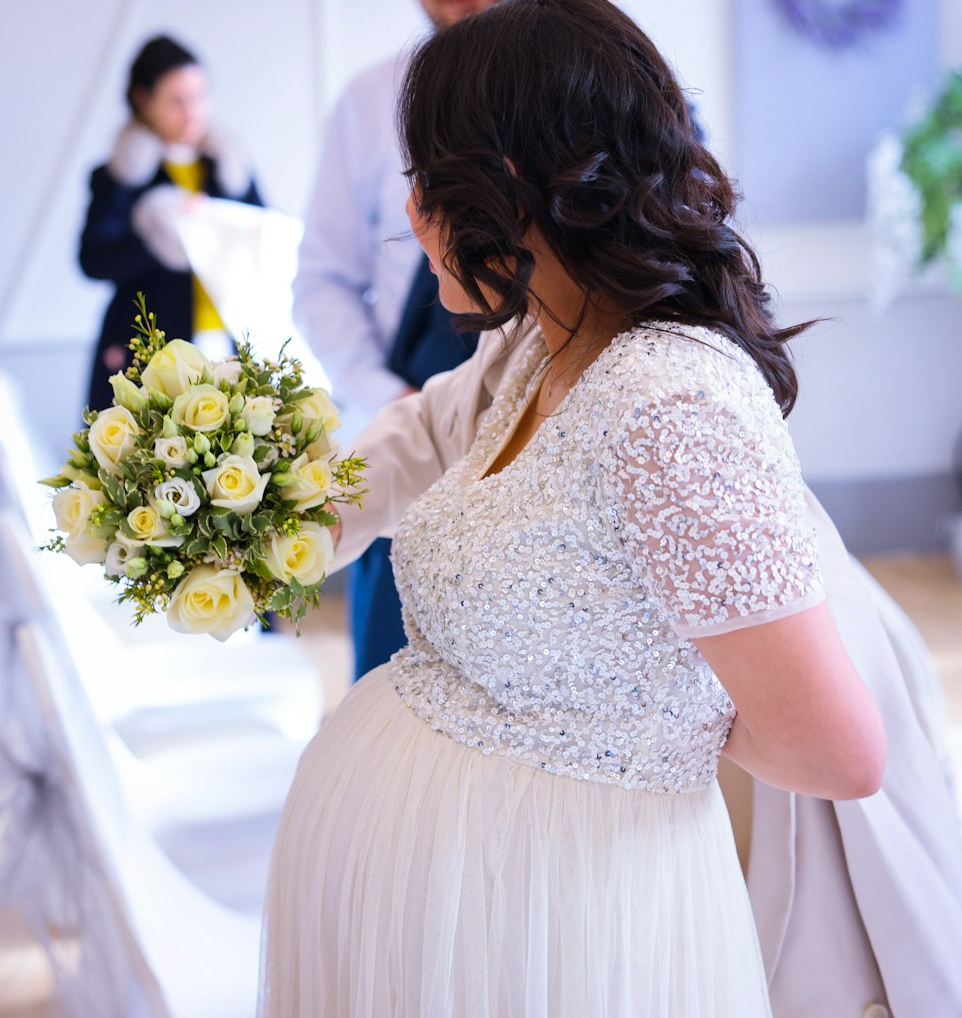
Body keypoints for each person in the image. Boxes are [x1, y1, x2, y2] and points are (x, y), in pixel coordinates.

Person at [258, 2, 897, 1015]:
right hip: (456, 913)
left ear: (506, 184)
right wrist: (250, 521)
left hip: (569, 922)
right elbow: (419, 436)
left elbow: (834, 747)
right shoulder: (539, 341)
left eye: (425, 179)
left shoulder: (668, 405)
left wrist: (625, 704)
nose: (415, 215)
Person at [292, 0, 496, 679]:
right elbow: (322, 282)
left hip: (544, 421)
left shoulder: (568, 86)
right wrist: (393, 399)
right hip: (407, 416)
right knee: (393, 680)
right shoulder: (368, 102)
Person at [79, 35, 262, 412]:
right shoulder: (122, 176)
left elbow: (263, 239)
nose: (192, 110)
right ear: (143, 100)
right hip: (147, 351)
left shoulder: (228, 169)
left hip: (228, 342)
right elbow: (93, 260)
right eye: (177, 100)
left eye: (200, 96)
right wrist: (163, 234)